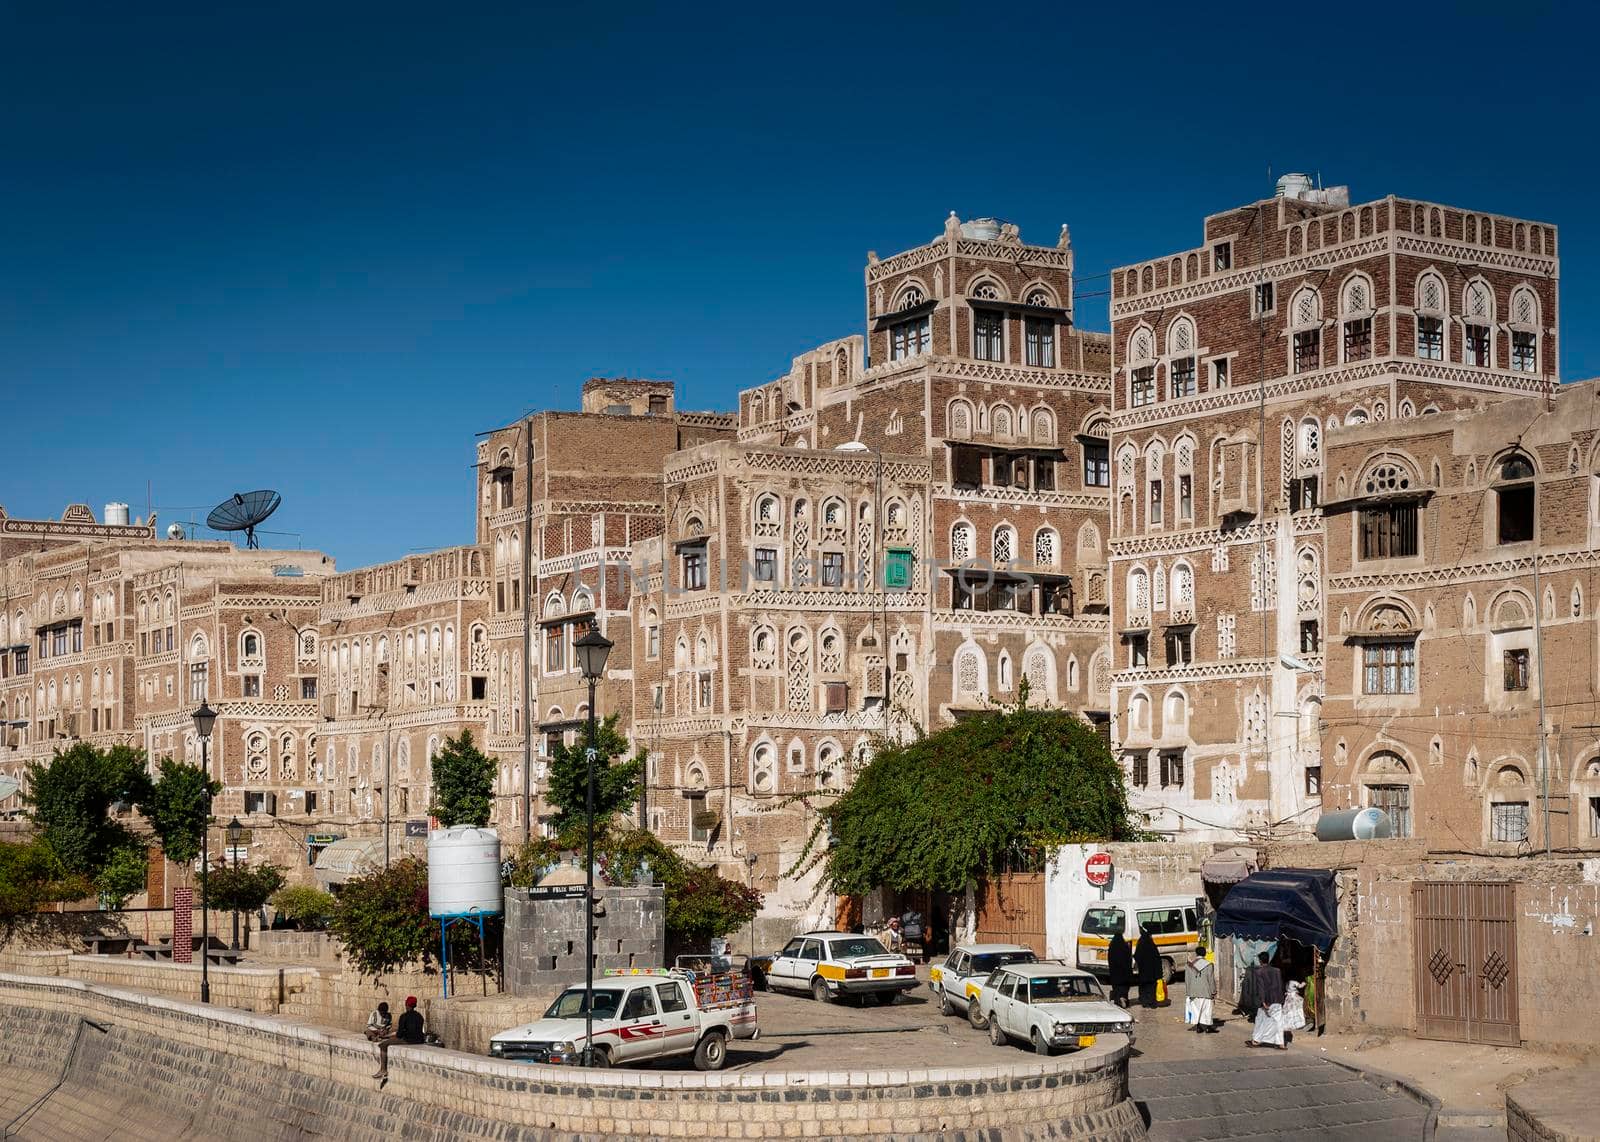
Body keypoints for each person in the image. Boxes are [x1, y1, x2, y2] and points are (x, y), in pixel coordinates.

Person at [374, 996, 426, 1079]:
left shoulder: (404, 1016)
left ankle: (383, 1070)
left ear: (407, 1004)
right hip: (419, 1040)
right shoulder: (420, 1016)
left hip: (408, 1040)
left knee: (383, 1045)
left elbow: (399, 1034)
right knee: (390, 1040)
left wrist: (386, 1036)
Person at [1246, 952, 1287, 1050]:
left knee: (1261, 1021)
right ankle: (1281, 1043)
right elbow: (1281, 985)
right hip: (1277, 999)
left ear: (1260, 961)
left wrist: (1263, 1001)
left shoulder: (1259, 972)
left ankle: (1256, 1040)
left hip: (1267, 1001)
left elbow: (1261, 988)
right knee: (1278, 1022)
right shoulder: (1277, 970)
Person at [1184, 946, 1217, 1033]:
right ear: (1205, 954)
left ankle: (1198, 1027)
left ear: (1196, 953)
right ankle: (1208, 1027)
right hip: (1206, 991)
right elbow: (1211, 980)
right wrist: (1213, 991)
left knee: (1196, 1010)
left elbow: (1187, 980)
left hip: (1193, 992)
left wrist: (1188, 992)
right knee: (1207, 1010)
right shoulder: (1208, 965)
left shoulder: (1188, 965)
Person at [1134, 928, 1162, 1008]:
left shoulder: (1140, 943)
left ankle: (1144, 1002)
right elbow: (1157, 959)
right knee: (1152, 987)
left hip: (1143, 970)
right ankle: (1151, 1002)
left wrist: (1140, 963)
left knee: (1144, 986)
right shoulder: (1152, 946)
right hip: (1152, 972)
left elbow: (1136, 956)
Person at [1107, 932, 1133, 1008]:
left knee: (1116, 987)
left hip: (1115, 972)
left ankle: (1118, 1000)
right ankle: (1124, 998)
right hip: (1125, 972)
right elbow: (1129, 959)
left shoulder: (1112, 946)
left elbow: (1109, 959)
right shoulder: (1125, 946)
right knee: (1124, 987)